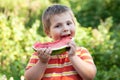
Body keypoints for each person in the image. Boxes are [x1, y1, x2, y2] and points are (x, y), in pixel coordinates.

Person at [24, 4, 97, 80]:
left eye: (68, 23)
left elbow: (90, 76)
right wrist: (42, 62)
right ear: (48, 32)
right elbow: (29, 78)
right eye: (58, 26)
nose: (65, 28)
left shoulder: (81, 52)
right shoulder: (40, 54)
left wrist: (73, 57)